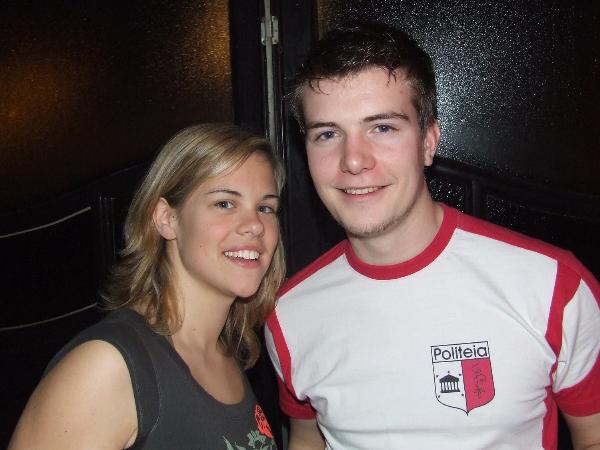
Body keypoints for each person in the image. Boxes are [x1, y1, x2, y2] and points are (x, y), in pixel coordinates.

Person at [265, 21, 600, 450]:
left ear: (428, 141)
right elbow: (307, 441)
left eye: (382, 128)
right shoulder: (289, 315)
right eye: (327, 134)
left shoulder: (554, 286)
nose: (353, 160)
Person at [9, 123, 285, 449]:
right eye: (225, 203)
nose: (255, 225)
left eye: (265, 208)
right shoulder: (108, 365)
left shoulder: (225, 354)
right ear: (167, 219)